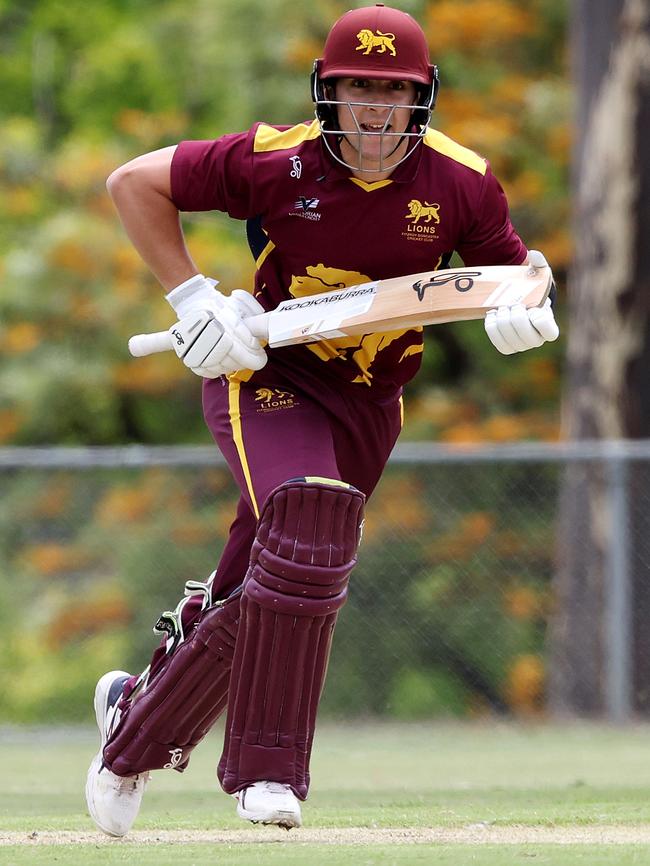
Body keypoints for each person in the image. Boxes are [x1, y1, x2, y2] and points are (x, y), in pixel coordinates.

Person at [85, 3, 559, 837]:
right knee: (310, 514)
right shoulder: (276, 161)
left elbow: (512, 272)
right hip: (265, 372)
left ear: (422, 99)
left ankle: (134, 719)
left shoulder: (461, 180)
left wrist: (530, 303)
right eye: (356, 89)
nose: (376, 109)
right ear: (326, 94)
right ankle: (268, 774)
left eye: (393, 90)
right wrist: (193, 298)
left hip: (373, 402)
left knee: (260, 588)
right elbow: (133, 183)